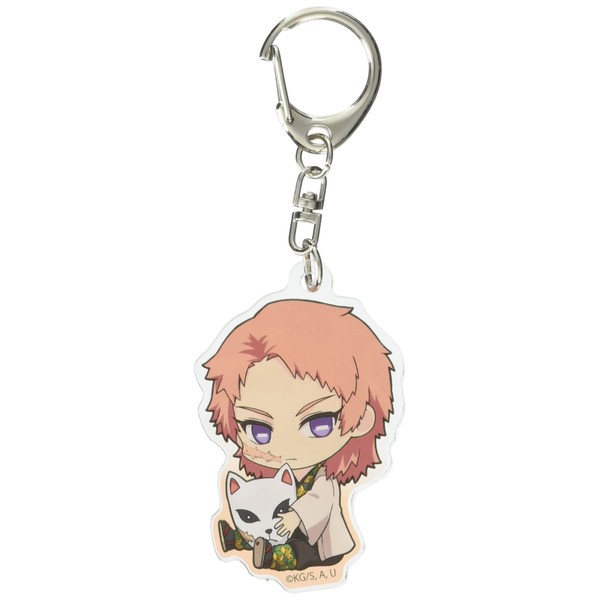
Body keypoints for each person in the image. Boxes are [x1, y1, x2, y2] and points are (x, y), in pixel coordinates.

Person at [203, 299, 395, 570]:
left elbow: (319, 502)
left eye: (318, 424)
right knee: (268, 533)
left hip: (320, 546)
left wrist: (294, 517)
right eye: (258, 430)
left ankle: (267, 556)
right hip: (283, 532)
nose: (286, 444)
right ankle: (239, 540)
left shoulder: (323, 478)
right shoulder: (279, 476)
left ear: (362, 420)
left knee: (295, 552)